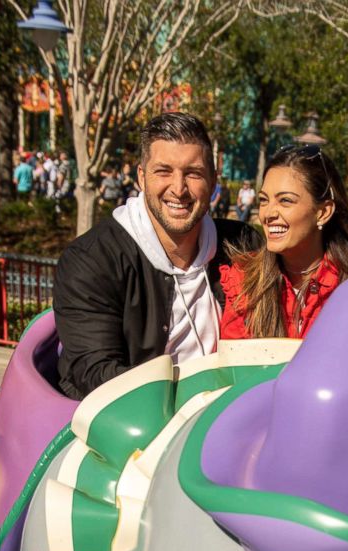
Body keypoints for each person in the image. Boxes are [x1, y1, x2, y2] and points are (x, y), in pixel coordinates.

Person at [54, 112, 260, 400]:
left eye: (193, 173)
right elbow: (94, 371)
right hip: (127, 422)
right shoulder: (91, 260)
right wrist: (190, 396)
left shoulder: (242, 245)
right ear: (141, 176)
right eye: (163, 171)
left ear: (213, 181)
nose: (178, 188)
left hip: (220, 415)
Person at [219, 144, 348, 340]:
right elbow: (234, 367)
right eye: (264, 200)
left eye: (285, 201)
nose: (268, 214)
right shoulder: (244, 281)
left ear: (323, 212)